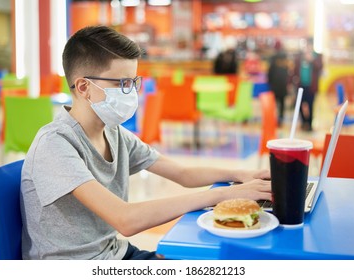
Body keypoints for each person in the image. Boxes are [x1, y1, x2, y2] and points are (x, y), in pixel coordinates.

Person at [20, 25, 271, 260]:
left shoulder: (114, 133)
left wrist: (243, 174)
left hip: (116, 254)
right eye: (122, 84)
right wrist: (224, 195)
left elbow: (182, 174)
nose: (131, 92)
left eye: (133, 82)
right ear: (84, 87)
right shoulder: (55, 144)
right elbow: (125, 220)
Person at [293, 38, 323, 131]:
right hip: (300, 85)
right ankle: (304, 122)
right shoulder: (299, 57)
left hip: (311, 87)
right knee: (298, 104)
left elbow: (320, 67)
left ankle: (309, 124)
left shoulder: (317, 56)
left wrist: (312, 60)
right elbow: (294, 70)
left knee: (310, 105)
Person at [267, 40, 289, 126]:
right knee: (282, 104)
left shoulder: (273, 58)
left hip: (275, 85)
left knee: (274, 103)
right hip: (283, 85)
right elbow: (287, 72)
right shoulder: (285, 58)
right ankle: (281, 119)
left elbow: (270, 72)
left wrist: (269, 82)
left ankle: (274, 119)